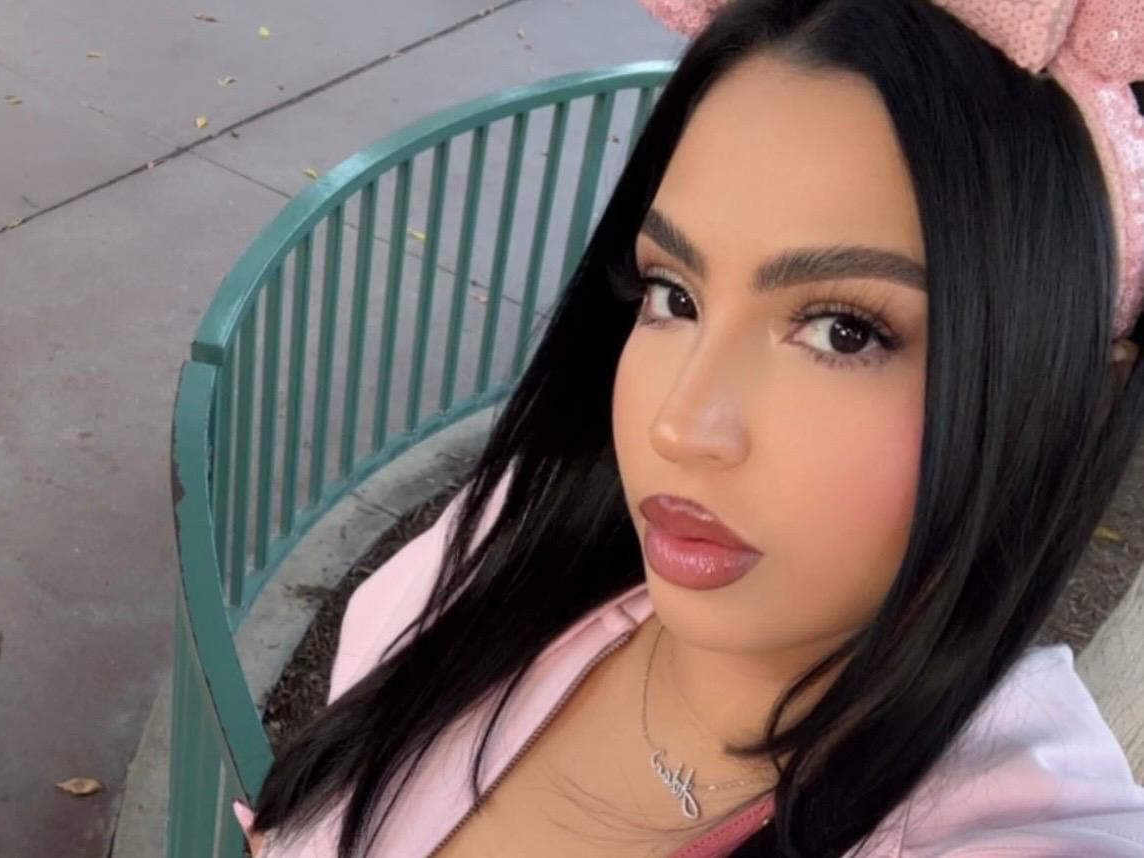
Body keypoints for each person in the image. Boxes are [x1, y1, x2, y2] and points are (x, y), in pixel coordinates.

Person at [233, 0, 1144, 855]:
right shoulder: (508, 547)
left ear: (1077, 398)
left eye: (843, 332)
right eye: (673, 295)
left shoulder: (1024, 831)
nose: (680, 426)